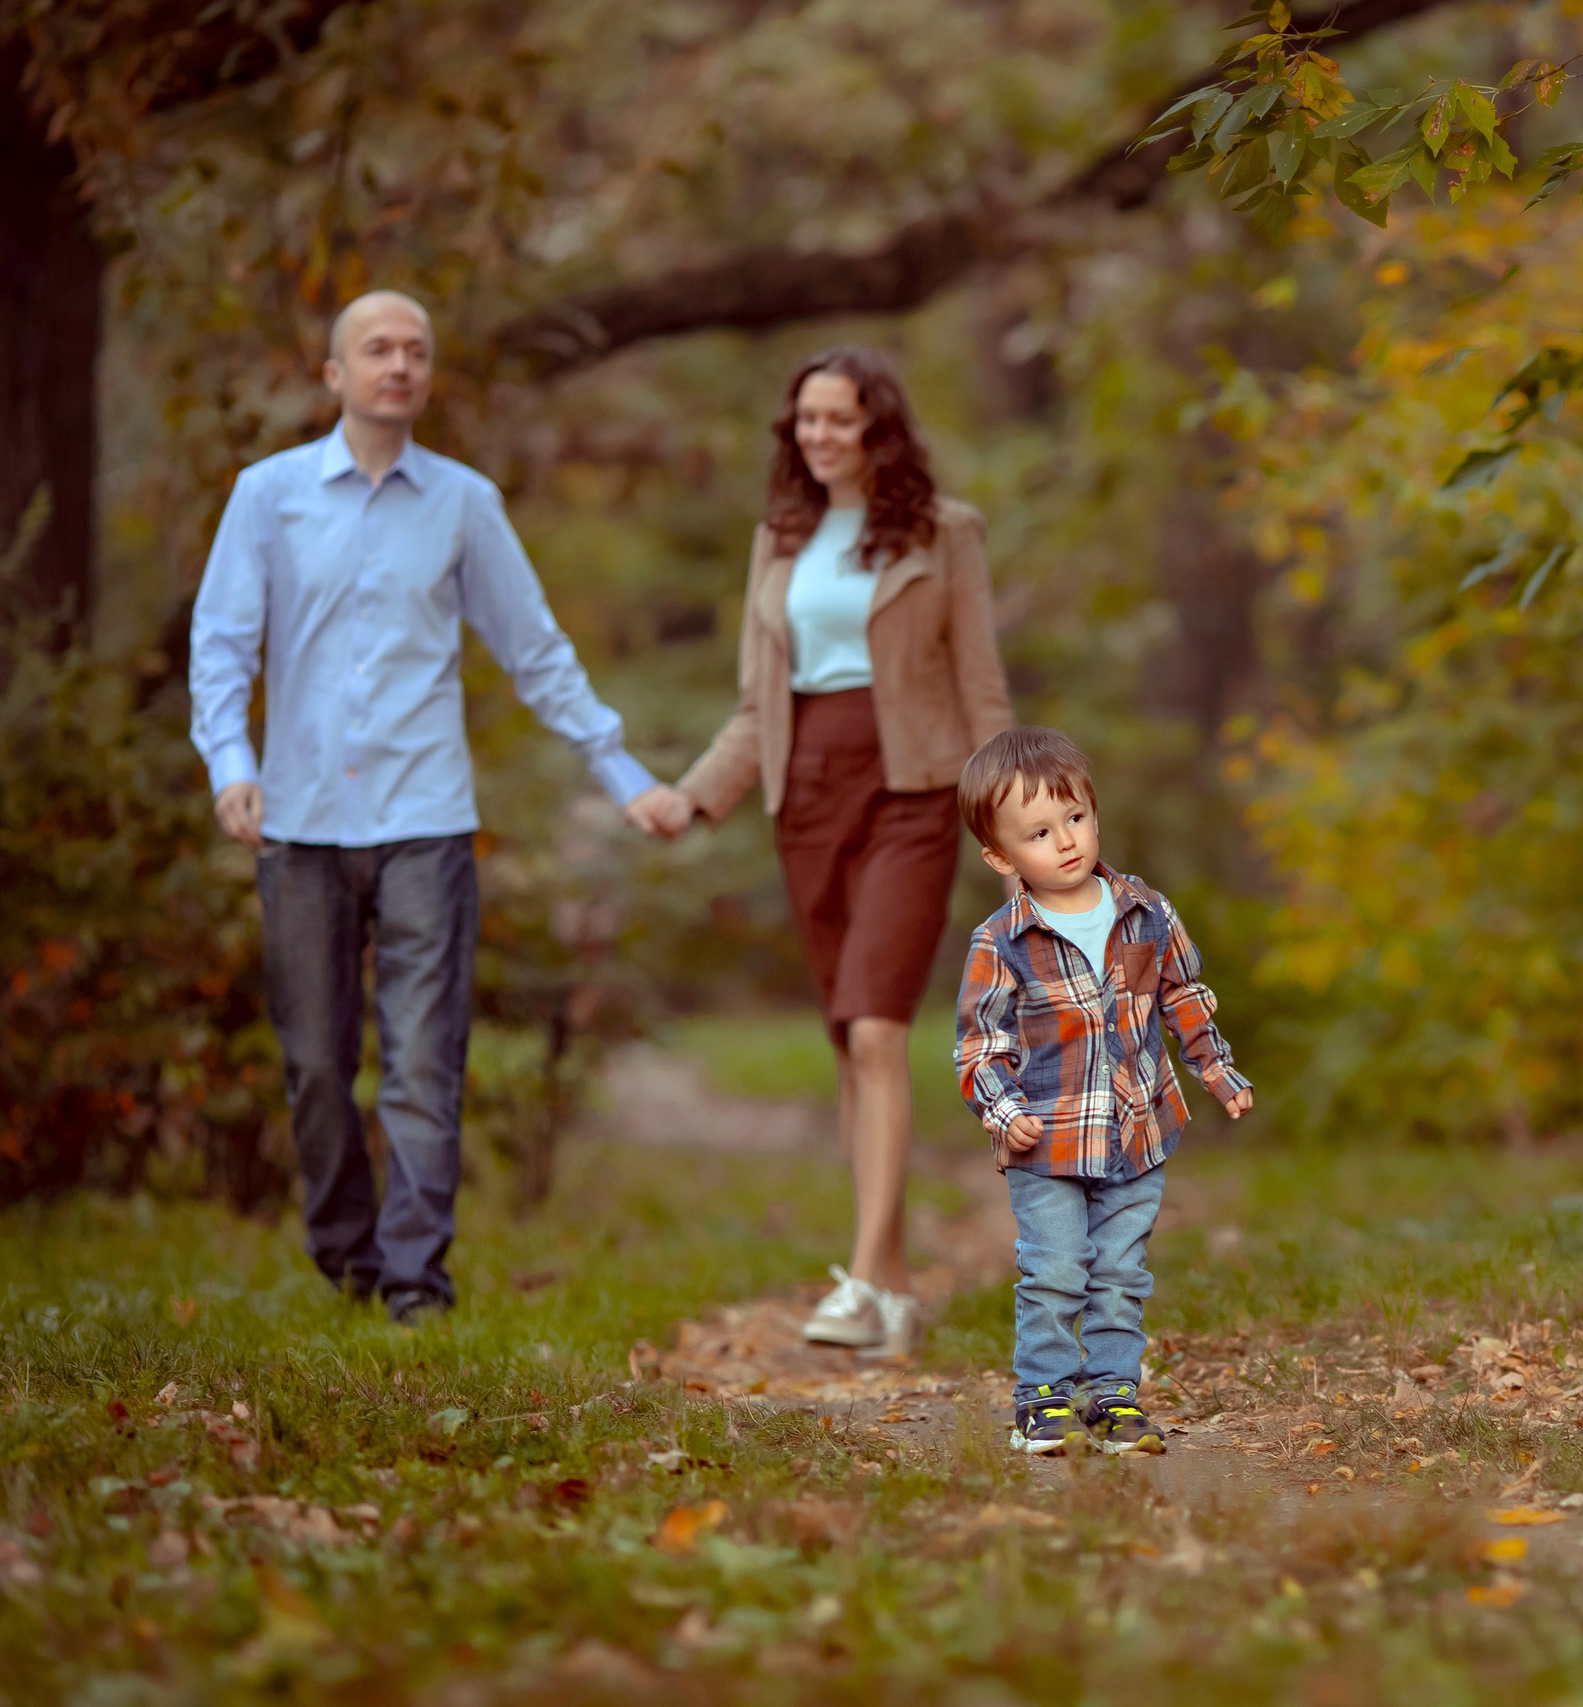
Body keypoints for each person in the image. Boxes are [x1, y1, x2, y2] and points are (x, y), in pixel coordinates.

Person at [189, 289, 688, 1323]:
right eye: (377, 348)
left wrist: (619, 771)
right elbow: (222, 645)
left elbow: (533, 649)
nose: (400, 365)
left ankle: (415, 1280)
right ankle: (347, 1258)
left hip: (426, 821)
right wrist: (231, 760)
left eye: (415, 350)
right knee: (316, 1065)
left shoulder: (464, 503)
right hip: (299, 824)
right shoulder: (267, 496)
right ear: (336, 375)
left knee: (422, 1063)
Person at [658, 345, 1013, 1358]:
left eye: (839, 419)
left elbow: (981, 687)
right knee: (849, 1042)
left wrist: (1017, 819)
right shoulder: (778, 540)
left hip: (912, 791)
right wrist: (693, 795)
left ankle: (861, 1284)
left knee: (876, 1027)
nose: (818, 435)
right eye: (805, 419)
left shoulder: (945, 533)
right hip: (806, 797)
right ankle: (889, 1287)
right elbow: (754, 706)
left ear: (878, 430)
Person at [952, 726, 1253, 1454]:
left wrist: (1216, 1070)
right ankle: (1043, 1398)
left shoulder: (1146, 911)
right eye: (1039, 832)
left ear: (1094, 812)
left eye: (1076, 817)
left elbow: (1183, 996)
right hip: (1048, 1141)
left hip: (1137, 1129)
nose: (1065, 841)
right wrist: (1003, 1110)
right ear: (1000, 857)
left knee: (1120, 1272)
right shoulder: (1001, 941)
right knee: (1056, 1270)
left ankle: (1112, 1394)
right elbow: (981, 1043)